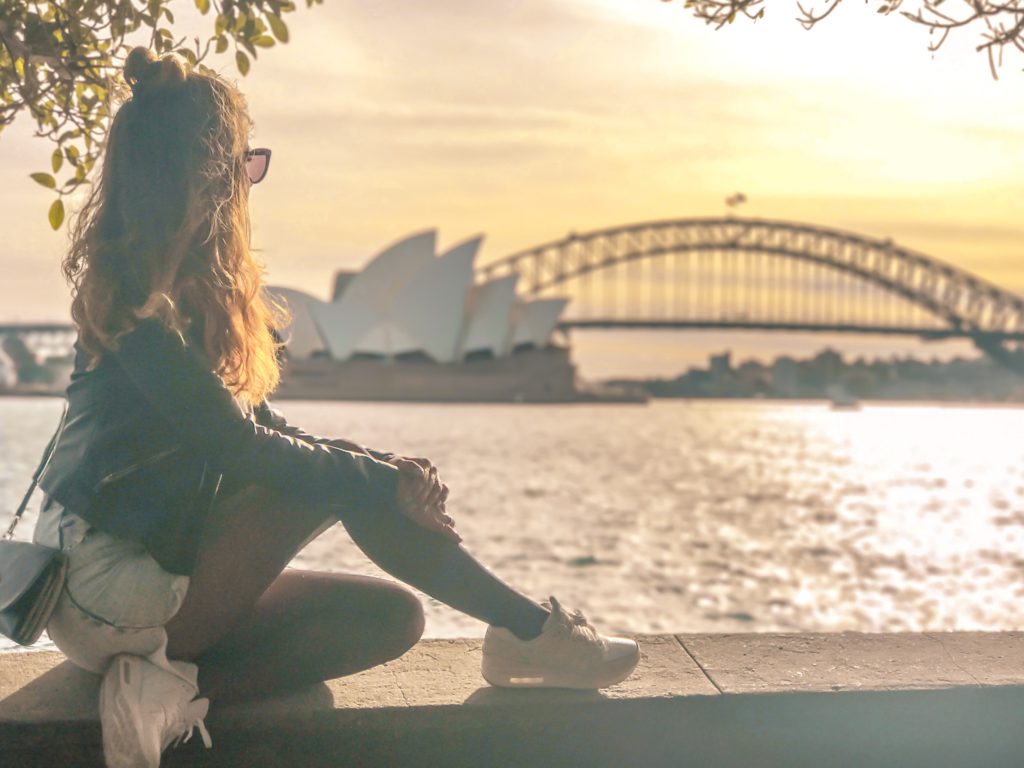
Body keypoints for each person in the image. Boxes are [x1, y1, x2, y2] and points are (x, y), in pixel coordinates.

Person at [33, 47, 640, 768]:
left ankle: (163, 690)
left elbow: (257, 430)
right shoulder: (140, 309)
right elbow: (247, 455)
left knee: (390, 619)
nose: (248, 184)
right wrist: (379, 479)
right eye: (245, 165)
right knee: (333, 480)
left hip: (133, 577)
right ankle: (531, 633)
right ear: (207, 177)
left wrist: (381, 467)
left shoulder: (178, 296)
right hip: (106, 584)